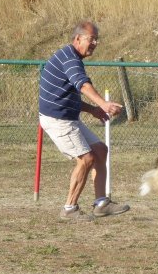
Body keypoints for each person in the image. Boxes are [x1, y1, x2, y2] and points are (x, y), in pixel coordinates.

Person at [39, 20, 130, 221]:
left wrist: (93, 110)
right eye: (91, 39)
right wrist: (104, 105)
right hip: (58, 120)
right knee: (86, 159)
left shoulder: (71, 57)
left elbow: (66, 95)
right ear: (77, 39)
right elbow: (83, 85)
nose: (95, 43)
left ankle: (101, 204)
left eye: (97, 39)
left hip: (67, 116)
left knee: (100, 150)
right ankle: (69, 208)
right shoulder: (70, 59)